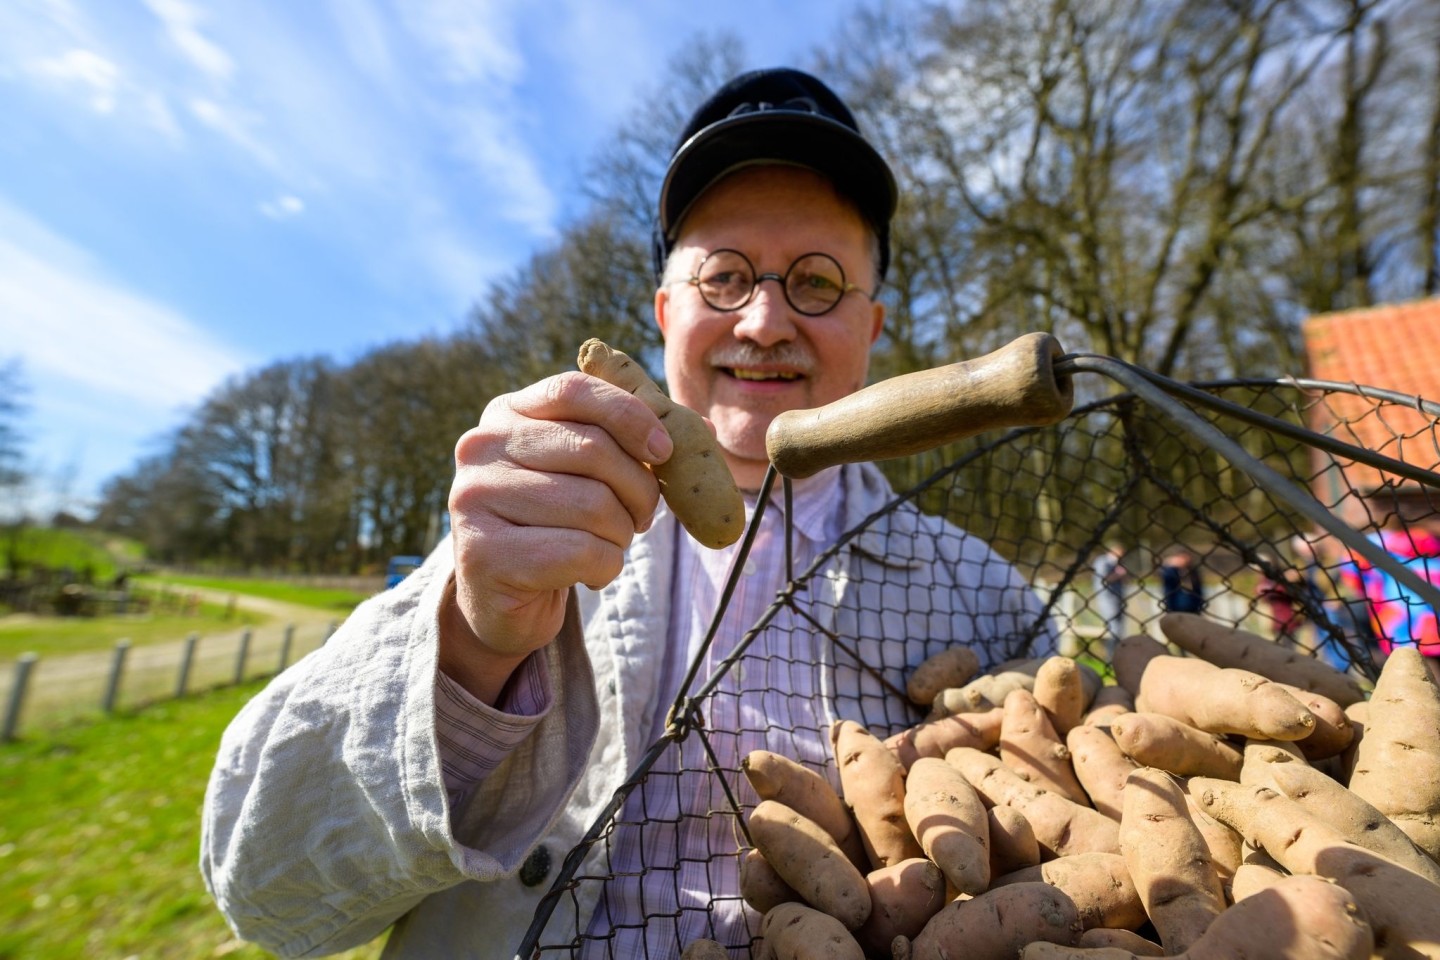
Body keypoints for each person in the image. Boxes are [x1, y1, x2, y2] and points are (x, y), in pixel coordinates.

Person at [200, 68, 1054, 959]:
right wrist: (475, 640)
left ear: (873, 326)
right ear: (664, 311)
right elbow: (266, 898)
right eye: (723, 276)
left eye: (817, 280)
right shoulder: (521, 538)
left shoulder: (984, 596)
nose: (764, 321)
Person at [1090, 543, 1128, 651]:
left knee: (1120, 628)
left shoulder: (1116, 563)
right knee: (1114, 628)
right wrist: (1118, 575)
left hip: (1118, 599)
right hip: (1108, 599)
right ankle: (1111, 656)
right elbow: (1102, 580)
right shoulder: (1103, 562)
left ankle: (1118, 653)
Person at [1160, 548, 1205, 614]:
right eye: (1181, 558)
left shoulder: (1192, 571)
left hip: (1193, 607)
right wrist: (1168, 564)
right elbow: (1165, 575)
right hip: (1175, 607)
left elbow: (1198, 588)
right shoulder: (1172, 570)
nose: (1184, 560)